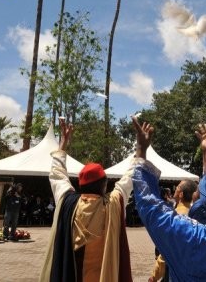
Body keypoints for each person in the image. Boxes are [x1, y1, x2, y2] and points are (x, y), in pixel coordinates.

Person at [133, 123, 206, 281]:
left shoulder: (188, 235)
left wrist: (141, 150)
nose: (196, 189)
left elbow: (148, 203)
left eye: (200, 188)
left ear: (199, 201)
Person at [39, 117, 136, 282]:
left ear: (81, 185)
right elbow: (130, 178)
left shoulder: (68, 202)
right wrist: (140, 149)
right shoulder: (112, 204)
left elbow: (57, 175)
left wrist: (63, 144)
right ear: (104, 185)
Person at [150, 179, 198, 282]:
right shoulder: (194, 215)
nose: (175, 188)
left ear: (181, 194)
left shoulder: (175, 217)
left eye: (178, 187)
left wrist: (154, 275)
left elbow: (166, 251)